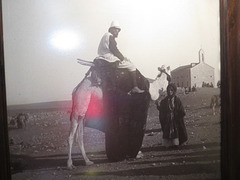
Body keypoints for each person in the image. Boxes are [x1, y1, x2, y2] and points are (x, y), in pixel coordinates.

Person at [96, 21, 144, 93]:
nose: (117, 31)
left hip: (102, 56)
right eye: (116, 29)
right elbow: (114, 50)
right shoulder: (110, 36)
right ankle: (135, 87)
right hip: (109, 58)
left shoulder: (105, 36)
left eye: (118, 30)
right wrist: (122, 58)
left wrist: (123, 57)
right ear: (111, 29)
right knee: (131, 66)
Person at [156, 83, 188, 148]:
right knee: (168, 131)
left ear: (174, 91)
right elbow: (162, 110)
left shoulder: (177, 100)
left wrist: (179, 116)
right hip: (168, 120)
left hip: (175, 119)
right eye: (168, 90)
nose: (170, 92)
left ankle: (176, 143)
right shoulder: (164, 101)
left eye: (171, 90)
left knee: (176, 130)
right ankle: (169, 144)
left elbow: (181, 110)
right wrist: (157, 105)